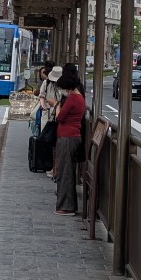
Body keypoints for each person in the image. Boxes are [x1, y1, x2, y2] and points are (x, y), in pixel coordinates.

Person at [54, 67, 85, 215]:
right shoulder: (79, 98)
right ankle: (66, 205)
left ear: (68, 87)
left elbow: (60, 117)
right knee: (67, 171)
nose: (62, 91)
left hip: (68, 138)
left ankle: (66, 207)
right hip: (72, 137)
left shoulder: (73, 99)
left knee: (65, 173)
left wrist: (57, 106)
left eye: (62, 88)